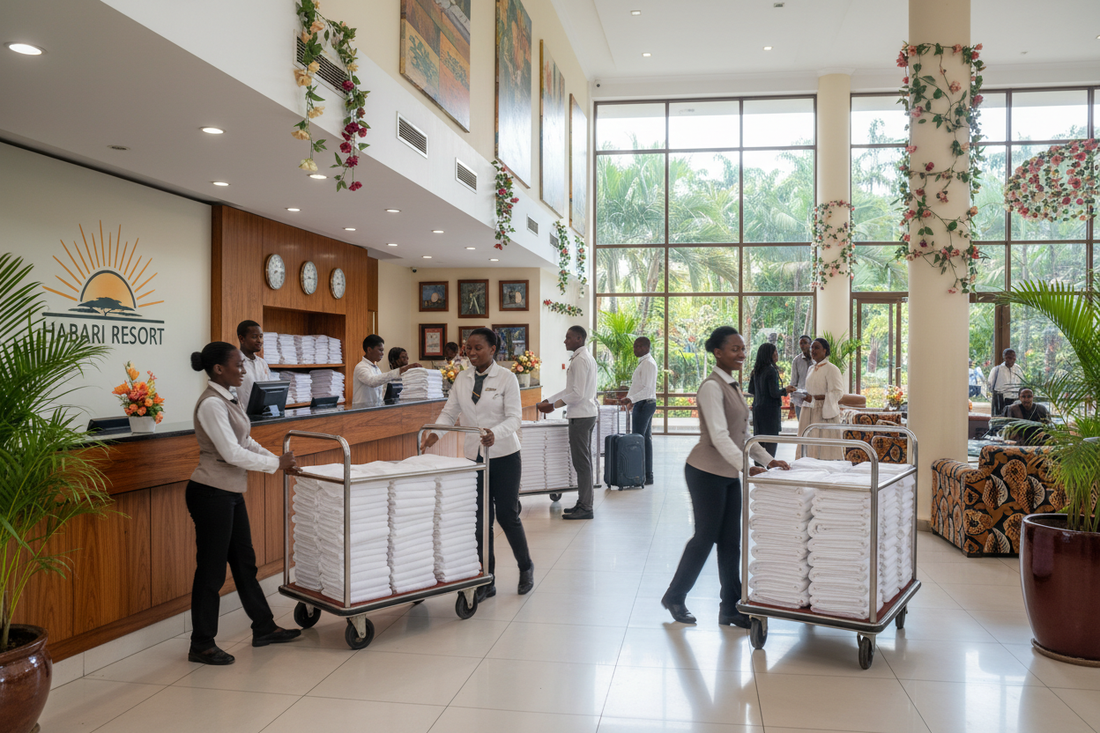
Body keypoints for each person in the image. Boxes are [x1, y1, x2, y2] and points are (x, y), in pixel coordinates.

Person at [661, 326, 790, 628]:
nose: (741, 353)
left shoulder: (731, 385)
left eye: (743, 348)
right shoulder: (711, 386)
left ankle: (730, 608)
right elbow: (719, 436)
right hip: (705, 472)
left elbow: (741, 434)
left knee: (731, 541)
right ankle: (675, 596)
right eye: (734, 349)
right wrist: (748, 467)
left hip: (728, 472)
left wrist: (769, 460)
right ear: (717, 352)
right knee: (706, 537)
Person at [185, 342, 302, 665]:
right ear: (219, 369)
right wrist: (275, 465)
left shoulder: (229, 397)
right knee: (211, 571)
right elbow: (231, 453)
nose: (244, 369)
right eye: (238, 364)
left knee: (245, 564)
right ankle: (202, 643)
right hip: (210, 493)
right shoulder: (211, 404)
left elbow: (245, 441)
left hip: (229, 493)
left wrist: (277, 459)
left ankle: (263, 628)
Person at [421, 328, 534, 599]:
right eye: (468, 348)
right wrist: (436, 433)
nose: (471, 353)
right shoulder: (462, 378)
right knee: (481, 520)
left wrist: (497, 432)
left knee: (507, 516)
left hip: (505, 456)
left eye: (477, 348)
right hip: (476, 458)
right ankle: (487, 579)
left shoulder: (507, 378)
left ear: (493, 349)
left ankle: (526, 566)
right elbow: (450, 412)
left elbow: (515, 418)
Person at [537, 325, 599, 519]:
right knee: (582, 462)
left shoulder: (580, 360)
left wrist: (554, 405)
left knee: (582, 463)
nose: (565, 341)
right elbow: (569, 389)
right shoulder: (582, 357)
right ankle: (583, 502)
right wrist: (549, 401)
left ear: (579, 339)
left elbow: (577, 393)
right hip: (583, 414)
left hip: (581, 416)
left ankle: (586, 507)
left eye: (568, 337)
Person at [797, 337, 846, 459]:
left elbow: (838, 392)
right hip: (808, 410)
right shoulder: (811, 369)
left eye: (816, 347)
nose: (812, 350)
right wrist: (802, 395)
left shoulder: (832, 369)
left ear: (825, 351)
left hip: (824, 412)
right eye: (812, 347)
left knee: (824, 447)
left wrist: (816, 398)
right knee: (808, 443)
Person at [620, 336, 658, 485]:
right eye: (635, 346)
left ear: (646, 347)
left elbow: (647, 389)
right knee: (645, 441)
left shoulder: (648, 363)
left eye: (638, 346)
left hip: (644, 404)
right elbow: (639, 386)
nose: (635, 349)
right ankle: (646, 475)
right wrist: (631, 398)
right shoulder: (644, 363)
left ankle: (638, 475)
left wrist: (631, 399)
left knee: (638, 440)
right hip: (643, 403)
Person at [353, 334, 421, 408]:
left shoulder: (376, 368)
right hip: (362, 412)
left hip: (374, 411)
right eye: (380, 350)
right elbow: (372, 381)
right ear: (369, 349)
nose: (382, 353)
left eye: (383, 350)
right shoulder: (361, 367)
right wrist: (400, 370)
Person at [748, 342, 784, 458]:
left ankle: (758, 468)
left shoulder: (756, 371)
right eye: (775, 353)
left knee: (759, 440)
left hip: (758, 409)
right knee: (771, 441)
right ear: (770, 355)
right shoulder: (771, 371)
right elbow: (774, 393)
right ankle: (770, 467)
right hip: (770, 412)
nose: (777, 355)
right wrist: (786, 390)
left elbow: (751, 390)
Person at [236, 320, 272, 411]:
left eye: (261, 336)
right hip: (242, 417)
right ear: (242, 339)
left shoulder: (262, 363)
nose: (259, 341)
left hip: (262, 416)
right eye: (254, 337)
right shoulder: (234, 363)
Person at [988, 348, 1024, 416]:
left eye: (1013, 357)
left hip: (1015, 399)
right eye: (1009, 357)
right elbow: (990, 385)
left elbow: (1022, 384)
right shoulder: (997, 370)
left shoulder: (1018, 369)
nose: (1011, 360)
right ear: (1004, 357)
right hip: (1001, 399)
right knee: (1001, 420)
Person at [786, 335, 813, 417]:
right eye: (801, 343)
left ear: (810, 344)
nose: (803, 345)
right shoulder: (796, 361)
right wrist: (792, 401)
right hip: (800, 400)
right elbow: (793, 382)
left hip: (814, 399)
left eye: (805, 343)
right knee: (802, 427)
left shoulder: (816, 360)